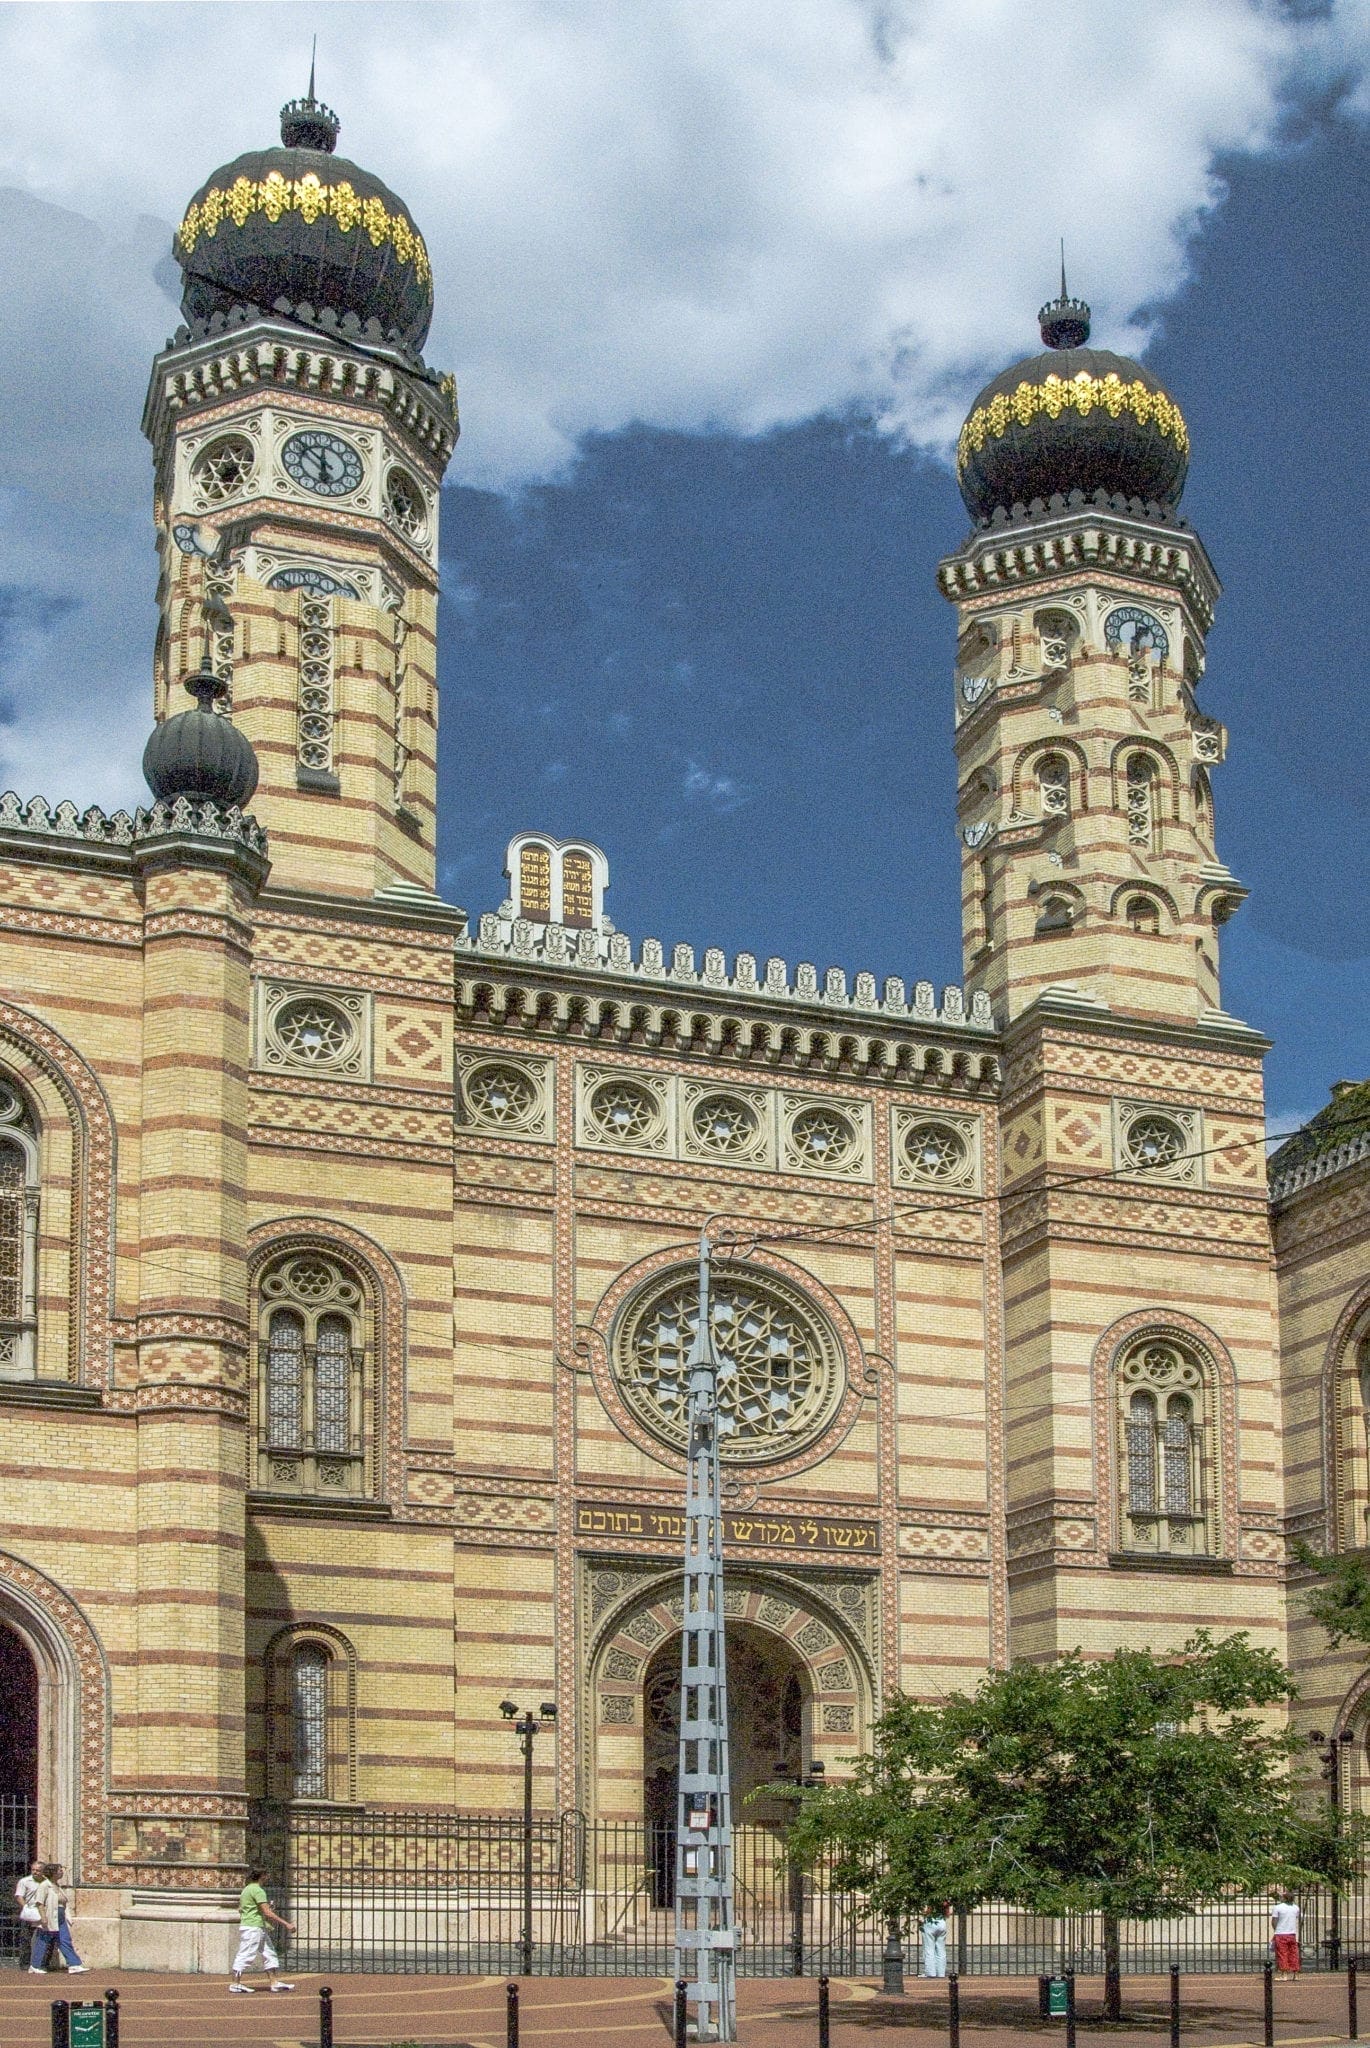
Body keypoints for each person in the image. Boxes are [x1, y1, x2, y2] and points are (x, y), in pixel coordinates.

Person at [229, 1867, 296, 1993]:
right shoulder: (258, 1890)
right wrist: (286, 1924)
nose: (268, 1877)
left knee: (269, 1953)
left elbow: (241, 1908)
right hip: (253, 1928)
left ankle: (274, 1982)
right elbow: (267, 1912)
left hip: (255, 1926)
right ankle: (235, 1983)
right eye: (266, 1875)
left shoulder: (247, 1889)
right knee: (246, 1954)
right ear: (262, 1876)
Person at [28, 1864, 86, 1974]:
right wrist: (43, 1918)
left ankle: (74, 1964)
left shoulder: (57, 1886)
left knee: (65, 1940)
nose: (62, 1872)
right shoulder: (44, 1885)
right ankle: (35, 1965)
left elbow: (63, 1902)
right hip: (49, 1917)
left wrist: (67, 1916)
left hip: (60, 1917)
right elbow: (39, 1903)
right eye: (59, 1870)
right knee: (43, 1940)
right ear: (53, 1872)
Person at [14, 1859, 42, 1968]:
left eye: (38, 1870)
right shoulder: (24, 1881)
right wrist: (26, 1907)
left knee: (42, 1938)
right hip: (30, 1911)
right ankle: (25, 1963)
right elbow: (19, 1896)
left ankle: (40, 1962)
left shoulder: (46, 1882)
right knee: (26, 1937)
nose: (35, 1872)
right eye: (33, 1870)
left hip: (42, 1912)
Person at [1271, 1889, 1302, 1980]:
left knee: (1282, 1954)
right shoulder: (1296, 1907)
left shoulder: (1277, 1907)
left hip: (1281, 1933)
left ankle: (1284, 1974)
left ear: (1284, 1898)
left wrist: (1276, 1929)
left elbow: (1273, 1921)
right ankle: (1296, 1974)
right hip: (1292, 1933)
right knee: (1293, 1954)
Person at [921, 1903, 949, 1978]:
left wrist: (924, 1912)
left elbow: (929, 1911)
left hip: (931, 1922)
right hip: (942, 1922)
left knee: (929, 1948)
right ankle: (941, 1973)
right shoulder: (945, 1899)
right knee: (941, 1949)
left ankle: (930, 1972)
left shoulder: (931, 1897)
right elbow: (947, 1914)